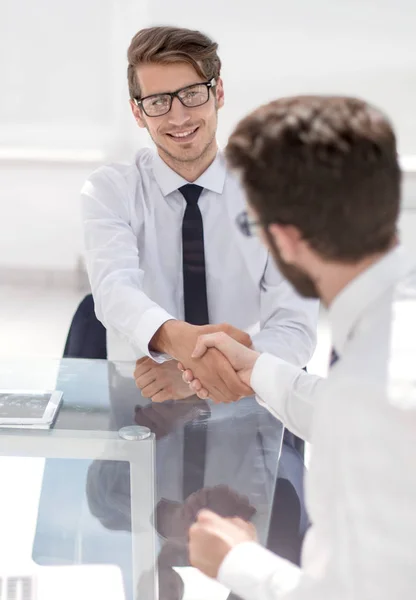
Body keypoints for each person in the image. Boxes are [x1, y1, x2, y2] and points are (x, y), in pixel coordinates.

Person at [81, 26, 318, 561]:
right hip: (146, 415)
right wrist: (183, 345)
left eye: (192, 94)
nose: (179, 116)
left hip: (251, 412)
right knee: (108, 512)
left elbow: (295, 330)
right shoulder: (109, 191)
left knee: (280, 546)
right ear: (138, 112)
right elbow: (114, 292)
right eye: (158, 101)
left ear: (218, 92)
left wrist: (194, 380)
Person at [184, 96, 416, 599]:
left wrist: (236, 562)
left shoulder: (371, 394)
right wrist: (259, 371)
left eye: (252, 226)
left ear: (286, 239)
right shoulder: (394, 319)